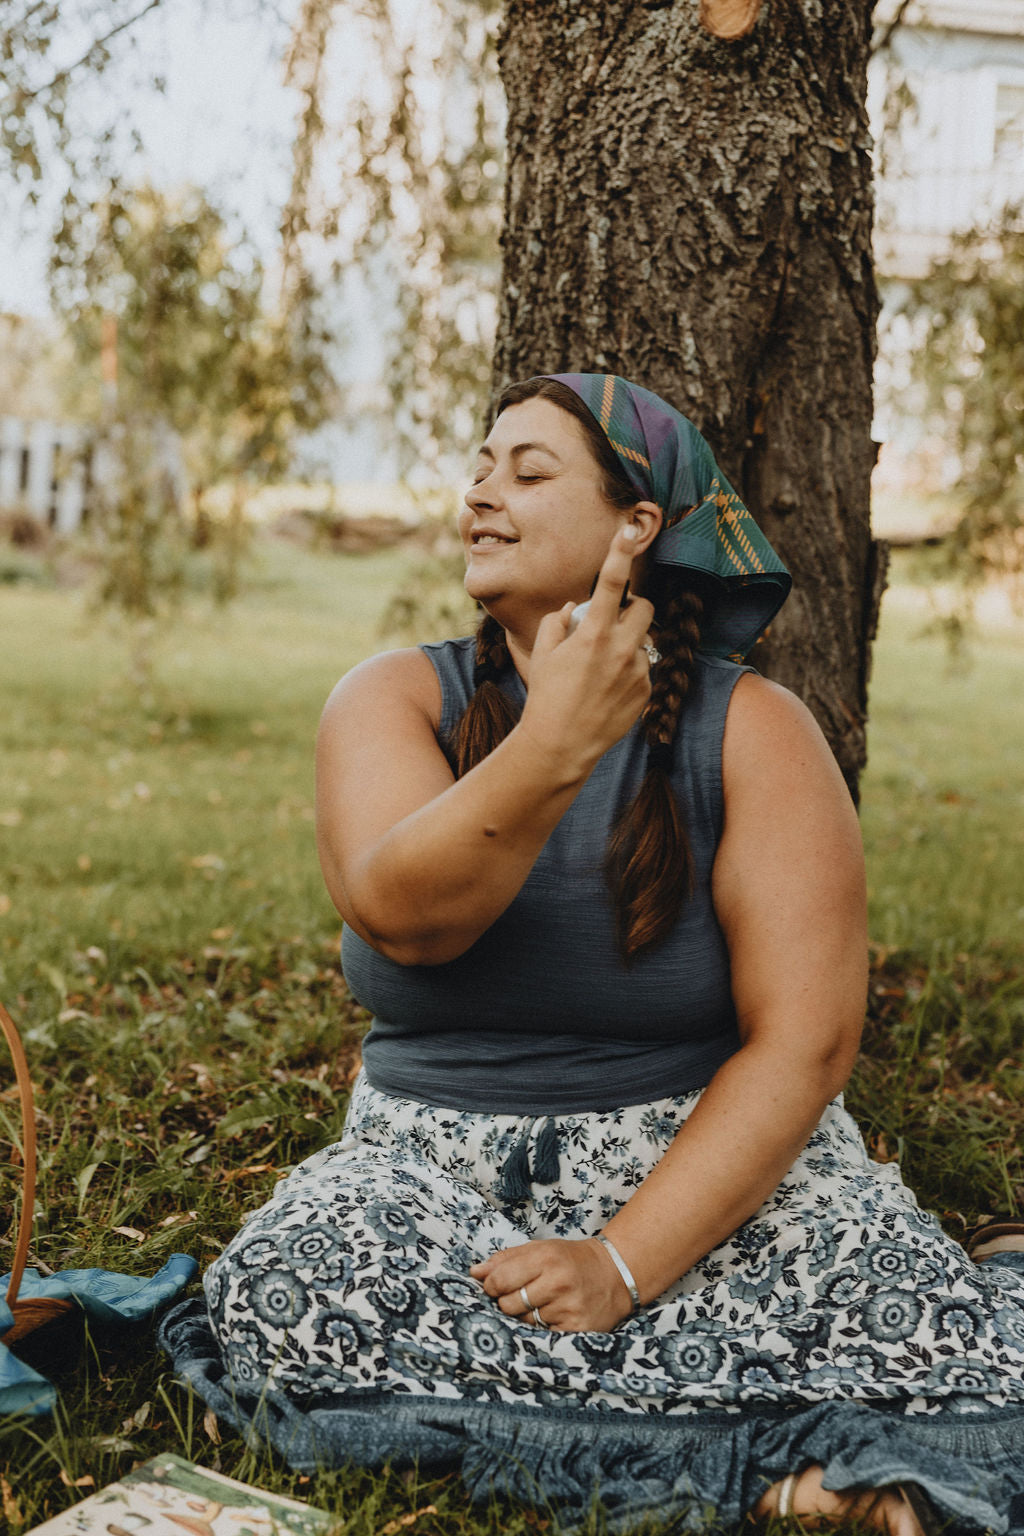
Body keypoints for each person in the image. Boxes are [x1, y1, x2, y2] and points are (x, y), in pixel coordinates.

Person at [161, 374, 1024, 1535]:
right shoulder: (392, 698)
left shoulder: (754, 730)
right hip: (433, 1182)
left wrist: (622, 1264)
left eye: (527, 472)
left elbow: (806, 1044)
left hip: (706, 1178)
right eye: (479, 468)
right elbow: (407, 918)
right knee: (289, 1292)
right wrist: (556, 739)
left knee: (936, 1332)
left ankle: (674, 1432)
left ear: (636, 526)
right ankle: (780, 1472)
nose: (481, 494)